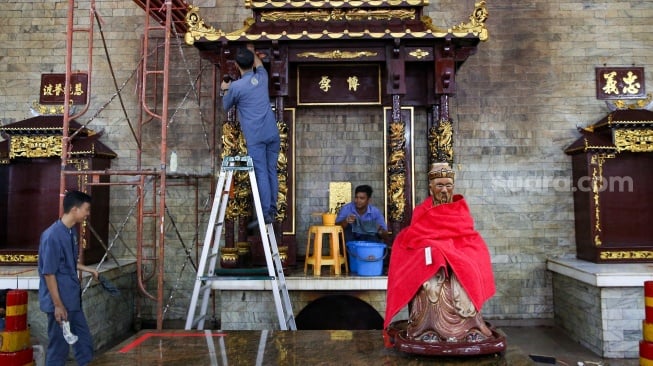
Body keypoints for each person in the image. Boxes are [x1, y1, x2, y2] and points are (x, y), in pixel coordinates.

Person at [384, 163, 495, 345]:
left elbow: (467, 236)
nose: (444, 190)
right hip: (432, 264)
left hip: (458, 255)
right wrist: (437, 249)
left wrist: (454, 253)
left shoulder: (461, 210)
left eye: (448, 185)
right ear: (431, 187)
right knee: (430, 283)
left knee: (468, 271)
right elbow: (415, 237)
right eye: (440, 185)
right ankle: (426, 328)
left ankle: (469, 328)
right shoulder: (422, 211)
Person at [221, 45, 280, 229]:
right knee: (271, 171)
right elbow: (259, 63)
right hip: (272, 133)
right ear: (252, 63)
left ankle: (265, 213)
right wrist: (252, 51)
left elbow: (225, 105)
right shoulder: (261, 78)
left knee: (261, 171)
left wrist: (224, 89)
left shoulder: (236, 87)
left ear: (237, 66)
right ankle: (271, 208)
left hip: (255, 137)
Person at [38, 190, 99, 366]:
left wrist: (88, 269)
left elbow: (67, 262)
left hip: (72, 301)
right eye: (86, 210)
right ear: (74, 209)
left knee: (84, 343)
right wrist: (58, 305)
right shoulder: (52, 236)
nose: (87, 214)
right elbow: (49, 272)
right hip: (60, 303)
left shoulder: (70, 232)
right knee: (59, 349)